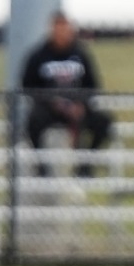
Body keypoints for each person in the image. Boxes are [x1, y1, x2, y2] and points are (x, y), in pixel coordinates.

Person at [20, 12, 115, 175]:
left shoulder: (80, 53)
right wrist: (52, 102)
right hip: (49, 108)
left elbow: (93, 85)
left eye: (65, 28)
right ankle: (41, 166)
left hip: (77, 107)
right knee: (33, 121)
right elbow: (28, 85)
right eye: (58, 28)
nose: (62, 32)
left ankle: (85, 165)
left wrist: (82, 104)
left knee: (103, 121)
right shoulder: (39, 55)